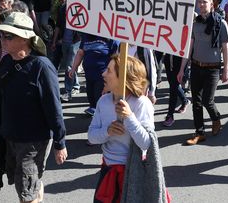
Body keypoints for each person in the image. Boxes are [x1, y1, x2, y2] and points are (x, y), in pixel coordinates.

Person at [0, 12, 67, 203]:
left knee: (26, 192)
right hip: (10, 136)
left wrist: (59, 142)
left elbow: (54, 107)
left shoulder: (42, 67)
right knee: (25, 184)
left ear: (25, 39)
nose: (2, 39)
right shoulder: (6, 62)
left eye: (8, 36)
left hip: (33, 142)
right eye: (2, 34)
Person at [88, 55, 169, 202]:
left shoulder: (142, 104)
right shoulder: (103, 101)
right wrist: (108, 131)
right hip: (108, 172)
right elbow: (91, 137)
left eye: (109, 70)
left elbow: (146, 144)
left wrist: (129, 117)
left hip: (134, 173)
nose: (103, 74)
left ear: (124, 78)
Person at [177, 0, 228, 145]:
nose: (201, 5)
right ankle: (199, 132)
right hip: (196, 66)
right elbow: (189, 48)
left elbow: (226, 48)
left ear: (211, 4)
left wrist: (226, 69)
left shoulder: (221, 23)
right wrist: (182, 69)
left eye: (204, 2)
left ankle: (215, 119)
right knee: (197, 102)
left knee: (208, 100)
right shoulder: (195, 24)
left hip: (212, 68)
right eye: (199, 2)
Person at [69, 34, 119, 116]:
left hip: (103, 76)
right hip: (89, 75)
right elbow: (80, 53)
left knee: (100, 99)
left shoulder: (111, 37)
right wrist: (73, 68)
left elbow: (116, 58)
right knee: (91, 97)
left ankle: (101, 119)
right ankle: (95, 115)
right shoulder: (86, 36)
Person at [52, 0, 81, 102]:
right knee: (72, 65)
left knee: (69, 66)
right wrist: (54, 41)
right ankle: (76, 85)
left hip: (76, 41)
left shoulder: (79, 7)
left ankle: (68, 91)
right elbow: (58, 26)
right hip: (65, 41)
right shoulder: (62, 8)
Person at [162, 53, 191, 127]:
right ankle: (185, 101)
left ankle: (170, 115)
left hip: (180, 60)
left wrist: (182, 69)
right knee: (173, 85)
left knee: (173, 87)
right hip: (168, 59)